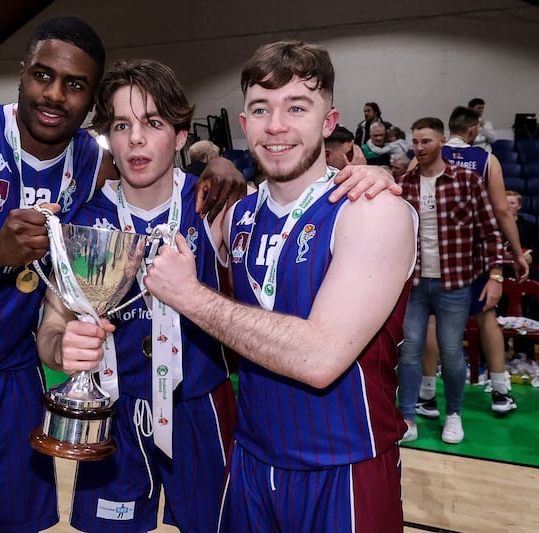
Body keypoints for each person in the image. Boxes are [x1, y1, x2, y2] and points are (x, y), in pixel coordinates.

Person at [0, 17, 249, 533]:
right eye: (43, 76)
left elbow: (160, 169)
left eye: (74, 85)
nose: (53, 95)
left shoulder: (93, 163)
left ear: (89, 102)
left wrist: (222, 164)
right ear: (22, 72)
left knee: (22, 523)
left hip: (15, 373)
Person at [144, 40, 417, 533]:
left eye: (297, 107)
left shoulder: (372, 210)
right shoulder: (235, 214)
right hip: (249, 463)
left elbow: (318, 359)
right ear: (244, 125)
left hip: (345, 469)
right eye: (261, 109)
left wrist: (187, 295)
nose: (276, 126)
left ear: (328, 122)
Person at [36, 59, 237, 533]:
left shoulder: (215, 204)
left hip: (198, 405)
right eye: (122, 125)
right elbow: (50, 327)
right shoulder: (84, 217)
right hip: (114, 408)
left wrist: (371, 181)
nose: (136, 139)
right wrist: (61, 349)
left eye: (153, 123)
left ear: (182, 135)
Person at [397, 116, 504, 444]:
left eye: (425, 141)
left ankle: (454, 414)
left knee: (451, 350)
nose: (419, 147)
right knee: (410, 349)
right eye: (415, 142)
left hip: (455, 283)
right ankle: (407, 418)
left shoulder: (467, 180)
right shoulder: (404, 183)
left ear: (442, 141)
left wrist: (496, 275)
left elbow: (490, 230)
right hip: (414, 284)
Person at [416, 106, 524, 420]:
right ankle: (501, 392)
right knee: (486, 316)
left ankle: (427, 396)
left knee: (431, 321)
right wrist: (515, 254)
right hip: (472, 254)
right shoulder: (486, 160)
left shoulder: (425, 154)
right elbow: (503, 211)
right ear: (475, 130)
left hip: (433, 252)